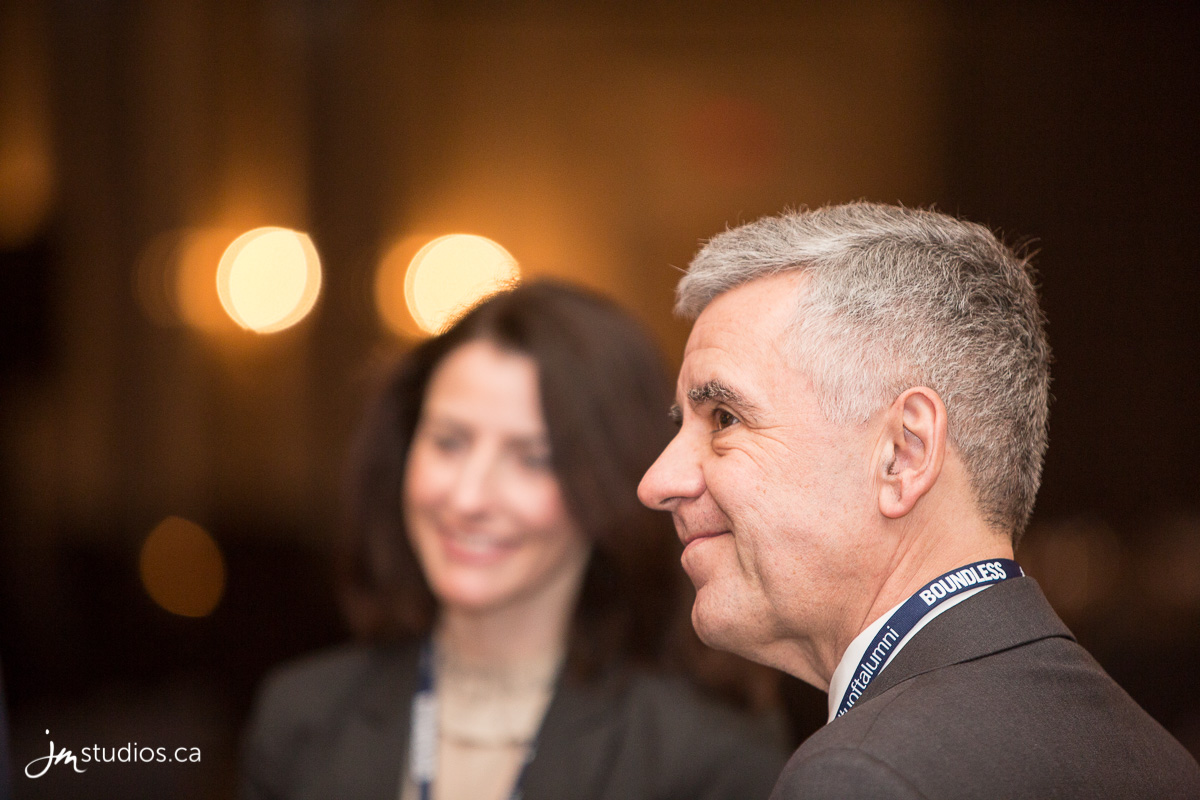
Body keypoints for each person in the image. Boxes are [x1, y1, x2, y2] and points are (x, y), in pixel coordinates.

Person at [638, 203, 1200, 799]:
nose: (658, 481)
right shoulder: (1156, 758)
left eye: (724, 417)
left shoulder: (863, 776)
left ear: (903, 454)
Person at [240, 280, 787, 800]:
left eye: (533, 458)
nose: (470, 497)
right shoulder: (301, 719)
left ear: (613, 479)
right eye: (449, 442)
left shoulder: (708, 752)